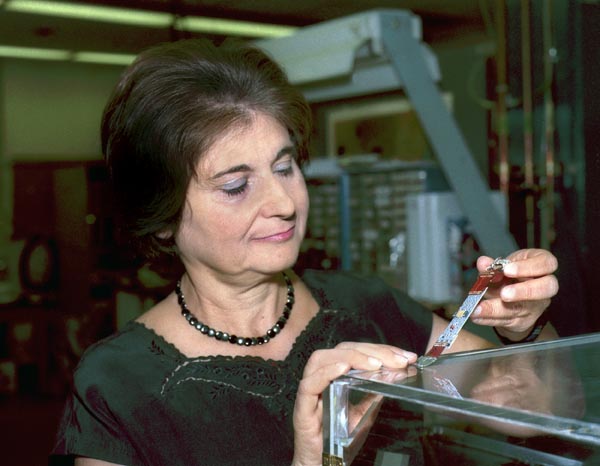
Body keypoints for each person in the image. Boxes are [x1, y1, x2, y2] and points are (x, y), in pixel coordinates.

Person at [50, 38, 559, 466]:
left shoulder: (370, 308)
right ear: (161, 218)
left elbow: (539, 409)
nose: (283, 202)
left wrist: (525, 331)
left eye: (285, 167)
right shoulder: (118, 389)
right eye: (235, 186)